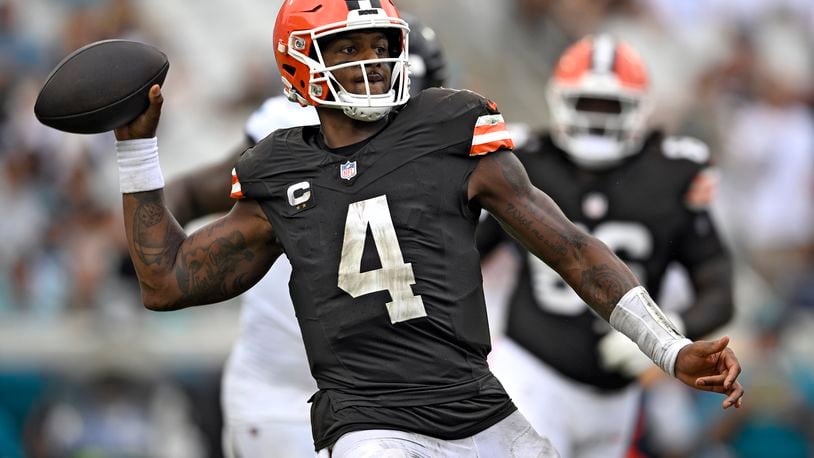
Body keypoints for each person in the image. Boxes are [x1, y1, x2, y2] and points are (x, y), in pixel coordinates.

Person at [111, 1, 743, 456]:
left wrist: (669, 347)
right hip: (368, 425)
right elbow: (168, 281)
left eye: (380, 45)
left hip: (476, 407)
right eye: (347, 49)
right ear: (299, 61)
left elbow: (572, 249)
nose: (370, 62)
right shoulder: (278, 168)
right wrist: (136, 149)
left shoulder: (450, 129)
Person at [163, 12, 448, 457]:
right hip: (285, 396)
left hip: (394, 398)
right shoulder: (289, 135)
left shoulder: (452, 154)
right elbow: (189, 194)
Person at [477, 34, 735, 458]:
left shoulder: (673, 172)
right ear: (560, 100)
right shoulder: (526, 160)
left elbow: (718, 286)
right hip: (532, 371)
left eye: (609, 106)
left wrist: (668, 328)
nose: (596, 119)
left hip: (619, 395)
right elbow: (465, 254)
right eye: (586, 104)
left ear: (638, 108)